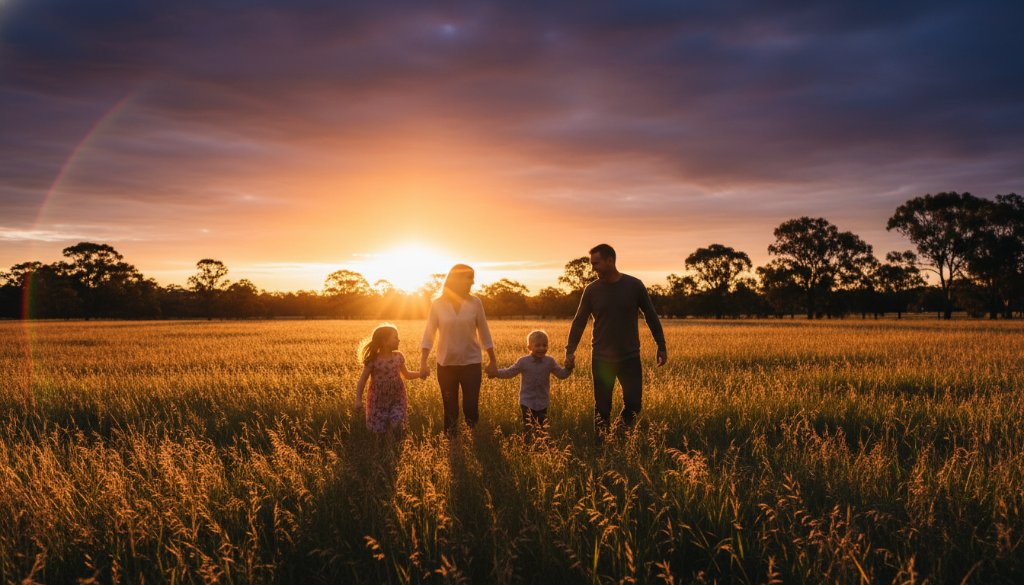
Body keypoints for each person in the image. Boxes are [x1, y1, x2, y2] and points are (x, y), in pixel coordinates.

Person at [565, 243, 667, 441]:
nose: (593, 268)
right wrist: (570, 350)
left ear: (610, 261)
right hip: (602, 359)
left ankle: (618, 435)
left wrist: (661, 345)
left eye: (597, 263)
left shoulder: (634, 285)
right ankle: (602, 445)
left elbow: (651, 316)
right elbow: (579, 322)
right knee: (602, 407)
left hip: (630, 357)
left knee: (634, 405)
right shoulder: (591, 290)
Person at [420, 264, 497, 434]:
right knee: (450, 410)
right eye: (469, 278)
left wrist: (492, 360)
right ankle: (452, 446)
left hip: (471, 364)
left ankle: (474, 441)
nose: (473, 282)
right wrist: (423, 362)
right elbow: (429, 334)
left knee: (471, 408)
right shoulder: (437, 304)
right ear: (457, 279)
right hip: (446, 365)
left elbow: (484, 332)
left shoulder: (475, 302)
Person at [488, 330, 573, 441]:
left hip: (543, 402)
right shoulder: (523, 362)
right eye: (537, 345)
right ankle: (528, 446)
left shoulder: (550, 362)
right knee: (528, 428)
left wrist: (569, 368)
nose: (542, 348)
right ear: (529, 347)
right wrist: (496, 373)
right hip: (526, 401)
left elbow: (561, 375)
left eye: (544, 345)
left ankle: (541, 448)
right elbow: (510, 372)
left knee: (541, 428)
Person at [355, 324, 425, 435]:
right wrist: (358, 399)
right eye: (395, 337)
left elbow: (406, 374)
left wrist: (420, 374)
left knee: (396, 424)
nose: (399, 340)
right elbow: (362, 380)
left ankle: (392, 445)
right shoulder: (372, 360)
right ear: (384, 341)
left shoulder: (398, 357)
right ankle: (383, 449)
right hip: (377, 401)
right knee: (379, 432)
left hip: (397, 399)